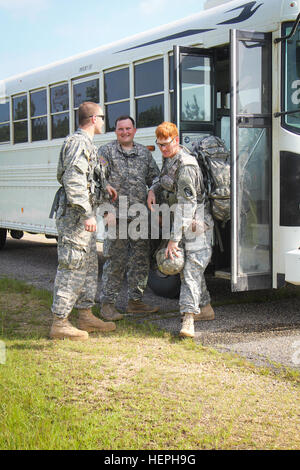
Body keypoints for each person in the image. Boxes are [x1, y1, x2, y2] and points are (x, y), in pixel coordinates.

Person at [50, 102, 118, 341]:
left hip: (82, 219)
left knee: (89, 267)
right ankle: (60, 322)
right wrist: (87, 214)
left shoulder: (88, 144)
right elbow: (74, 181)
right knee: (72, 266)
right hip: (75, 219)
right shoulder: (78, 143)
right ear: (92, 119)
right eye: (102, 117)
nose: (104, 121)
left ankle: (85, 315)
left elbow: (87, 177)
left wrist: (105, 186)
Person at [147, 122, 215, 338]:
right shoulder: (170, 160)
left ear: (176, 140)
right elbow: (163, 180)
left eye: (166, 144)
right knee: (190, 271)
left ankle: (188, 320)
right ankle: (204, 308)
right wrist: (152, 189)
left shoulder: (186, 165)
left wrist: (174, 240)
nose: (163, 149)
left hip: (196, 226)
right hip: (181, 223)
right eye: (159, 145)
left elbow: (187, 206)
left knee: (190, 271)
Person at [98, 115, 160, 320]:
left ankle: (136, 302)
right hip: (116, 216)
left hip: (139, 216)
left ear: (135, 130)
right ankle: (108, 304)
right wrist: (106, 211)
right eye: (120, 129)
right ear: (115, 131)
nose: (124, 132)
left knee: (140, 260)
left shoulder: (143, 153)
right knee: (115, 260)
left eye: (128, 128)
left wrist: (152, 190)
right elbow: (97, 181)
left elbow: (156, 177)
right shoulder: (106, 152)